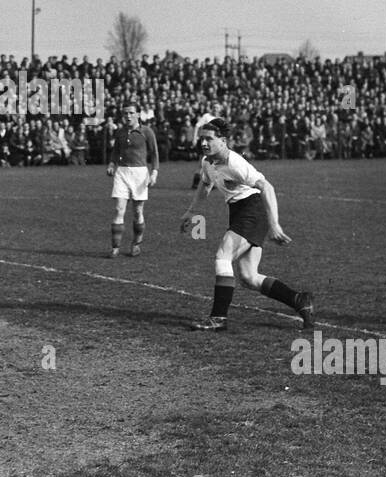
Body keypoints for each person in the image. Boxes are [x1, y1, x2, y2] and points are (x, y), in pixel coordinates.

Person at [179, 117, 314, 331]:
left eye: (209, 139)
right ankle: (298, 299)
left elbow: (266, 187)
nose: (203, 143)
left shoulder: (234, 162)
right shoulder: (207, 162)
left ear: (222, 141)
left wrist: (274, 224)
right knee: (249, 277)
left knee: (223, 256)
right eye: (202, 139)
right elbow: (205, 187)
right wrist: (190, 212)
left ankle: (218, 318)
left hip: (253, 209)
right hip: (239, 211)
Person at [106, 103, 158, 257]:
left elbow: (155, 154)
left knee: (137, 211)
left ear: (138, 114)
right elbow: (116, 151)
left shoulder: (147, 132)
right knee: (119, 209)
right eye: (125, 113)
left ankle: (136, 243)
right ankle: (115, 247)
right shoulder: (120, 132)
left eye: (131, 113)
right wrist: (111, 164)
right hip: (122, 172)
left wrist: (154, 173)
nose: (128, 116)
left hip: (140, 173)